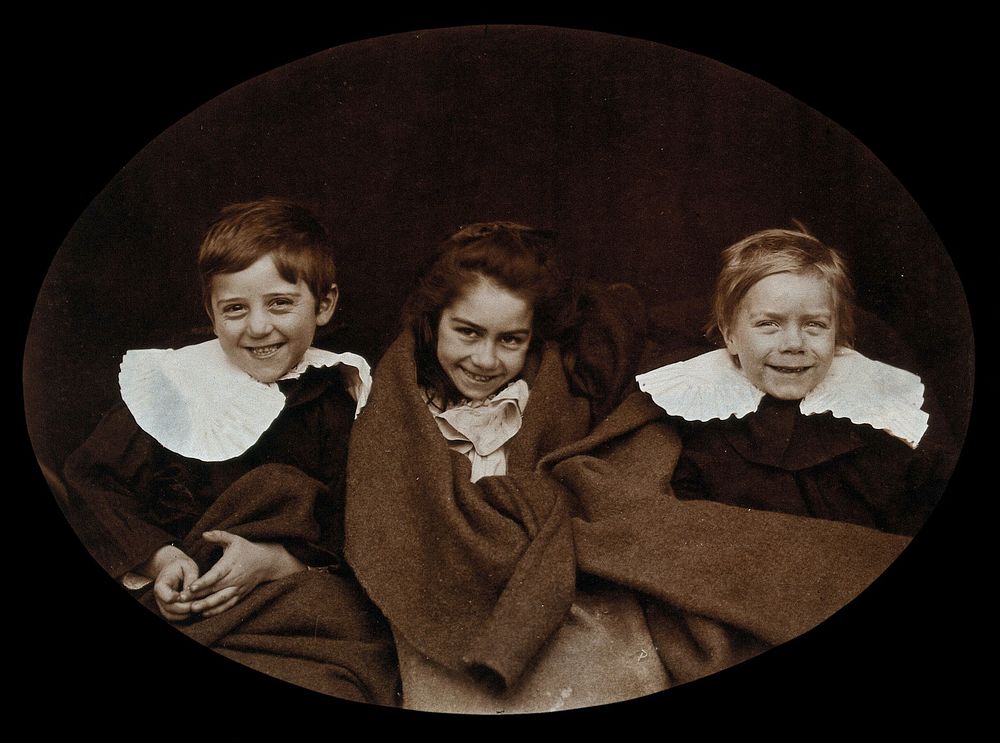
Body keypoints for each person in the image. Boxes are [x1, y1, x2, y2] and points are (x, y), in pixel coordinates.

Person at [345, 221, 912, 714]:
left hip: (572, 569)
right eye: (466, 333)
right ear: (430, 324)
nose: (486, 358)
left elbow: (621, 482)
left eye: (510, 339)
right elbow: (392, 507)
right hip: (459, 578)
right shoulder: (392, 403)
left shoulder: (567, 388)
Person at [62, 198, 398, 705]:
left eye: (281, 304)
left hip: (292, 593)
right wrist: (160, 559)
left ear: (324, 305)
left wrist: (275, 562)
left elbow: (356, 523)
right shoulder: (177, 384)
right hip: (190, 593)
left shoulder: (339, 397)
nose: (258, 327)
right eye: (235, 309)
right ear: (210, 312)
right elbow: (92, 479)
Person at [636, 228, 955, 536]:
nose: (793, 343)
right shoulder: (696, 401)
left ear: (837, 335)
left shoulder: (878, 404)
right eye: (768, 324)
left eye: (814, 325)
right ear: (730, 335)